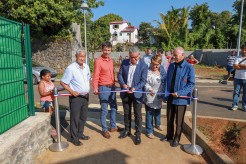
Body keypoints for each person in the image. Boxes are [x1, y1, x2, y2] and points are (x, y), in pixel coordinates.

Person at [161, 47, 195, 147]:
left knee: (179, 120)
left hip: (181, 98)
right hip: (171, 96)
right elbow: (168, 81)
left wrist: (180, 93)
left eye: (176, 55)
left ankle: (177, 138)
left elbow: (191, 84)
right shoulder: (171, 66)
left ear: (182, 55)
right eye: (173, 55)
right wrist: (165, 95)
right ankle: (169, 135)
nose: (173, 57)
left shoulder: (189, 67)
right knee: (169, 118)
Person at [118, 46, 148, 145]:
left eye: (135, 57)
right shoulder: (125, 63)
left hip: (137, 93)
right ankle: (127, 130)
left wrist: (135, 88)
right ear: (129, 56)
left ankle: (138, 134)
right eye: (132, 57)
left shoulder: (143, 65)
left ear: (139, 55)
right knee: (126, 113)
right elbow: (120, 75)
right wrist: (123, 84)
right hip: (125, 92)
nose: (133, 59)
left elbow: (143, 81)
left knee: (138, 115)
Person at [60, 49, 90, 146]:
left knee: (83, 117)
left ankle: (80, 134)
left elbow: (88, 78)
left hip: (86, 96)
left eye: (84, 56)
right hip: (76, 98)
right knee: (75, 118)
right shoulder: (71, 68)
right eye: (80, 56)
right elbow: (63, 82)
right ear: (76, 57)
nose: (82, 58)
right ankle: (73, 138)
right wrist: (72, 91)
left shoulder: (86, 67)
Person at [92, 41, 121, 139]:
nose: (107, 52)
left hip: (112, 87)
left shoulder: (111, 60)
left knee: (114, 107)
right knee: (104, 109)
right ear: (102, 49)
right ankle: (104, 129)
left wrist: (116, 83)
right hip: (103, 87)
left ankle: (113, 126)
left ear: (111, 50)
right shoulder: (98, 61)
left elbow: (112, 74)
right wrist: (95, 88)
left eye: (109, 50)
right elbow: (95, 76)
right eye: (105, 50)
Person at [144, 55, 166, 139]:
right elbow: (145, 82)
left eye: (157, 64)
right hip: (150, 94)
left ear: (160, 64)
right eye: (153, 64)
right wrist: (149, 89)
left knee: (158, 110)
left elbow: (164, 82)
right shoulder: (147, 71)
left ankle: (158, 124)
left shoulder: (162, 71)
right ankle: (149, 130)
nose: (155, 66)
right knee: (149, 113)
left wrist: (164, 94)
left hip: (159, 95)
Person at [231, 45, 246, 112]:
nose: (244, 51)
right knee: (236, 93)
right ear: (241, 50)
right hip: (237, 78)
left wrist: (239, 65)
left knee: (245, 94)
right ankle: (234, 105)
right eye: (243, 49)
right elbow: (235, 66)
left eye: (245, 50)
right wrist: (244, 66)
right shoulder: (237, 57)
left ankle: (244, 106)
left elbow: (237, 66)